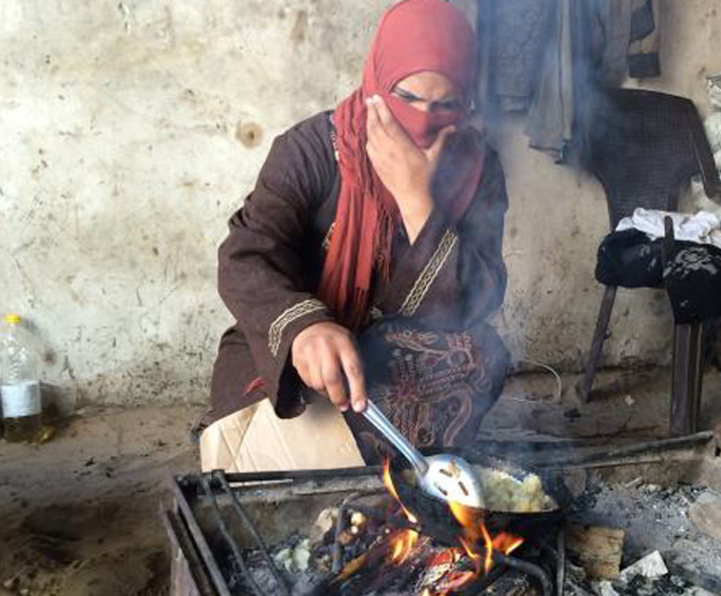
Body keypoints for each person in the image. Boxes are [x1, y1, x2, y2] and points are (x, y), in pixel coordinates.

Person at [200, 0, 509, 473]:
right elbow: (246, 255)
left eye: (446, 105)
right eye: (408, 97)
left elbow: (481, 296)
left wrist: (417, 199)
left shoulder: (477, 168)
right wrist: (305, 327)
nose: (425, 122)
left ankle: (393, 466)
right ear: (378, 82)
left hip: (398, 353)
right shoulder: (311, 151)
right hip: (303, 356)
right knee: (276, 426)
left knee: (484, 355)